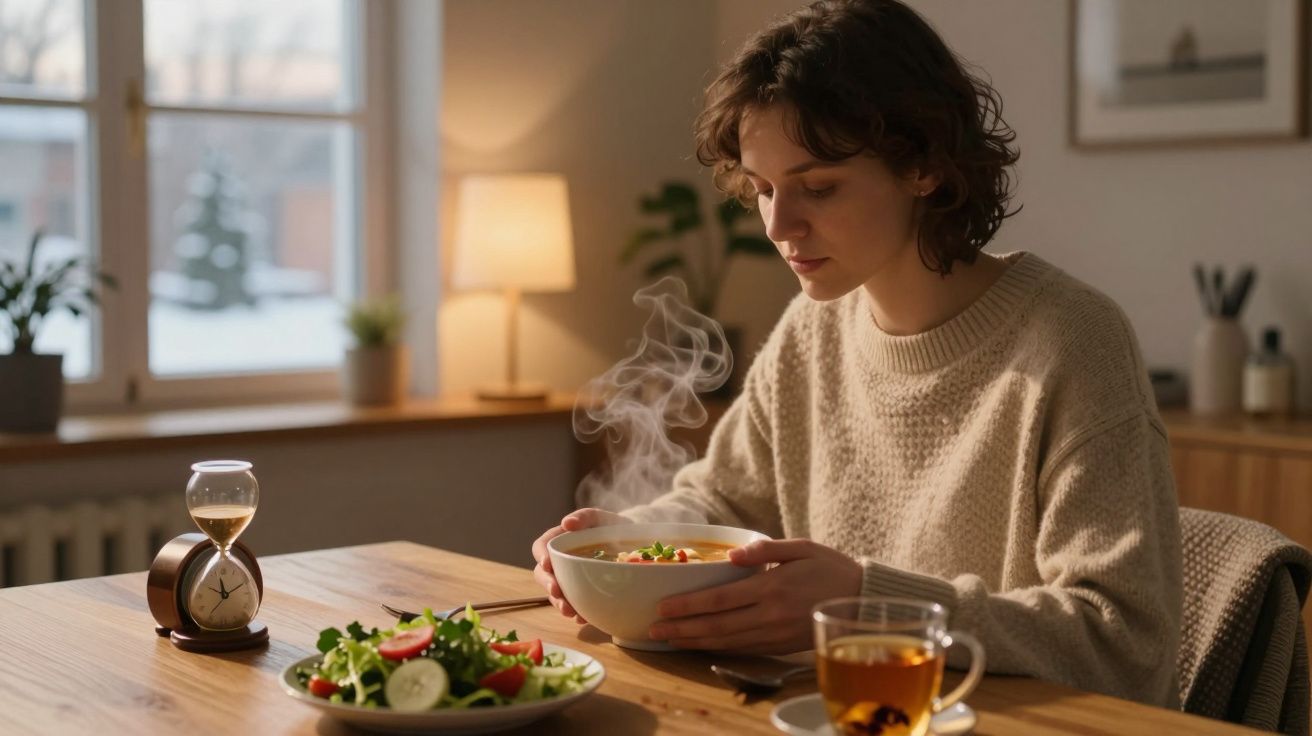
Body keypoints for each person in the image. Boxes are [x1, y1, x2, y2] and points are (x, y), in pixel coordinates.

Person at [532, 0, 1181, 708]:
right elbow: (720, 499)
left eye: (817, 187)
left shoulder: (1073, 341)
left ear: (924, 167)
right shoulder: (812, 332)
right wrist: (626, 547)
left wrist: (873, 601)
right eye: (763, 189)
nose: (779, 225)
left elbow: (1123, 644)